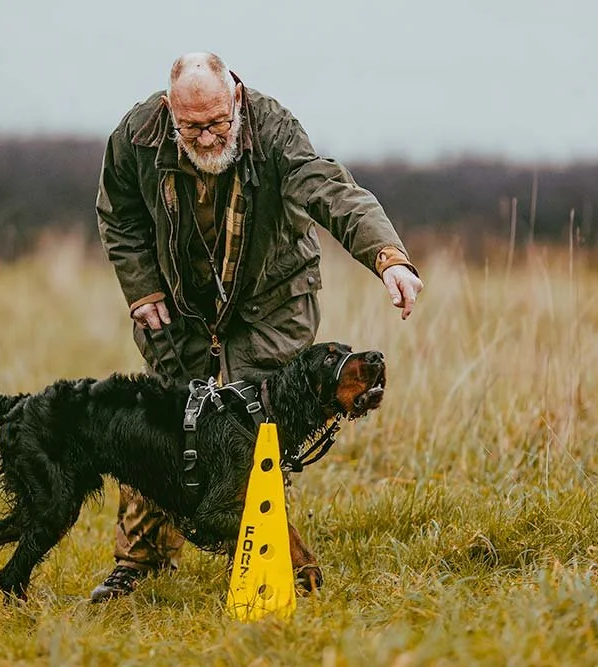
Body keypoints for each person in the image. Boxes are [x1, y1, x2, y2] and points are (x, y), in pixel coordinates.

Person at [93, 52, 423, 602]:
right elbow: (118, 214)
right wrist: (142, 287)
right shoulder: (137, 135)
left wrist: (388, 258)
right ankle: (140, 562)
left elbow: (333, 193)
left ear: (236, 100)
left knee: (252, 426)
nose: (204, 137)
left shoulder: (274, 131)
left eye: (217, 123)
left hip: (272, 300)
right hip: (181, 307)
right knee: (162, 419)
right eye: (191, 126)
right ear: (169, 109)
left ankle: (259, 557)